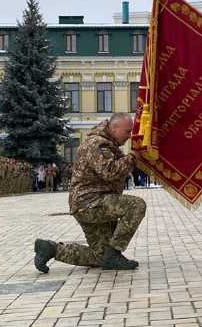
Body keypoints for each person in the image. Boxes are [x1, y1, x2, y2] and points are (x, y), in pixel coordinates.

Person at [34, 113, 145, 272]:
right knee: (137, 206)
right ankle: (114, 254)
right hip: (90, 203)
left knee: (101, 256)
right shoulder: (97, 144)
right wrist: (133, 157)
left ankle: (51, 249)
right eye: (127, 131)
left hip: (89, 203)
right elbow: (110, 171)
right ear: (114, 128)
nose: (129, 136)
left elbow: (120, 165)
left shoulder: (107, 144)